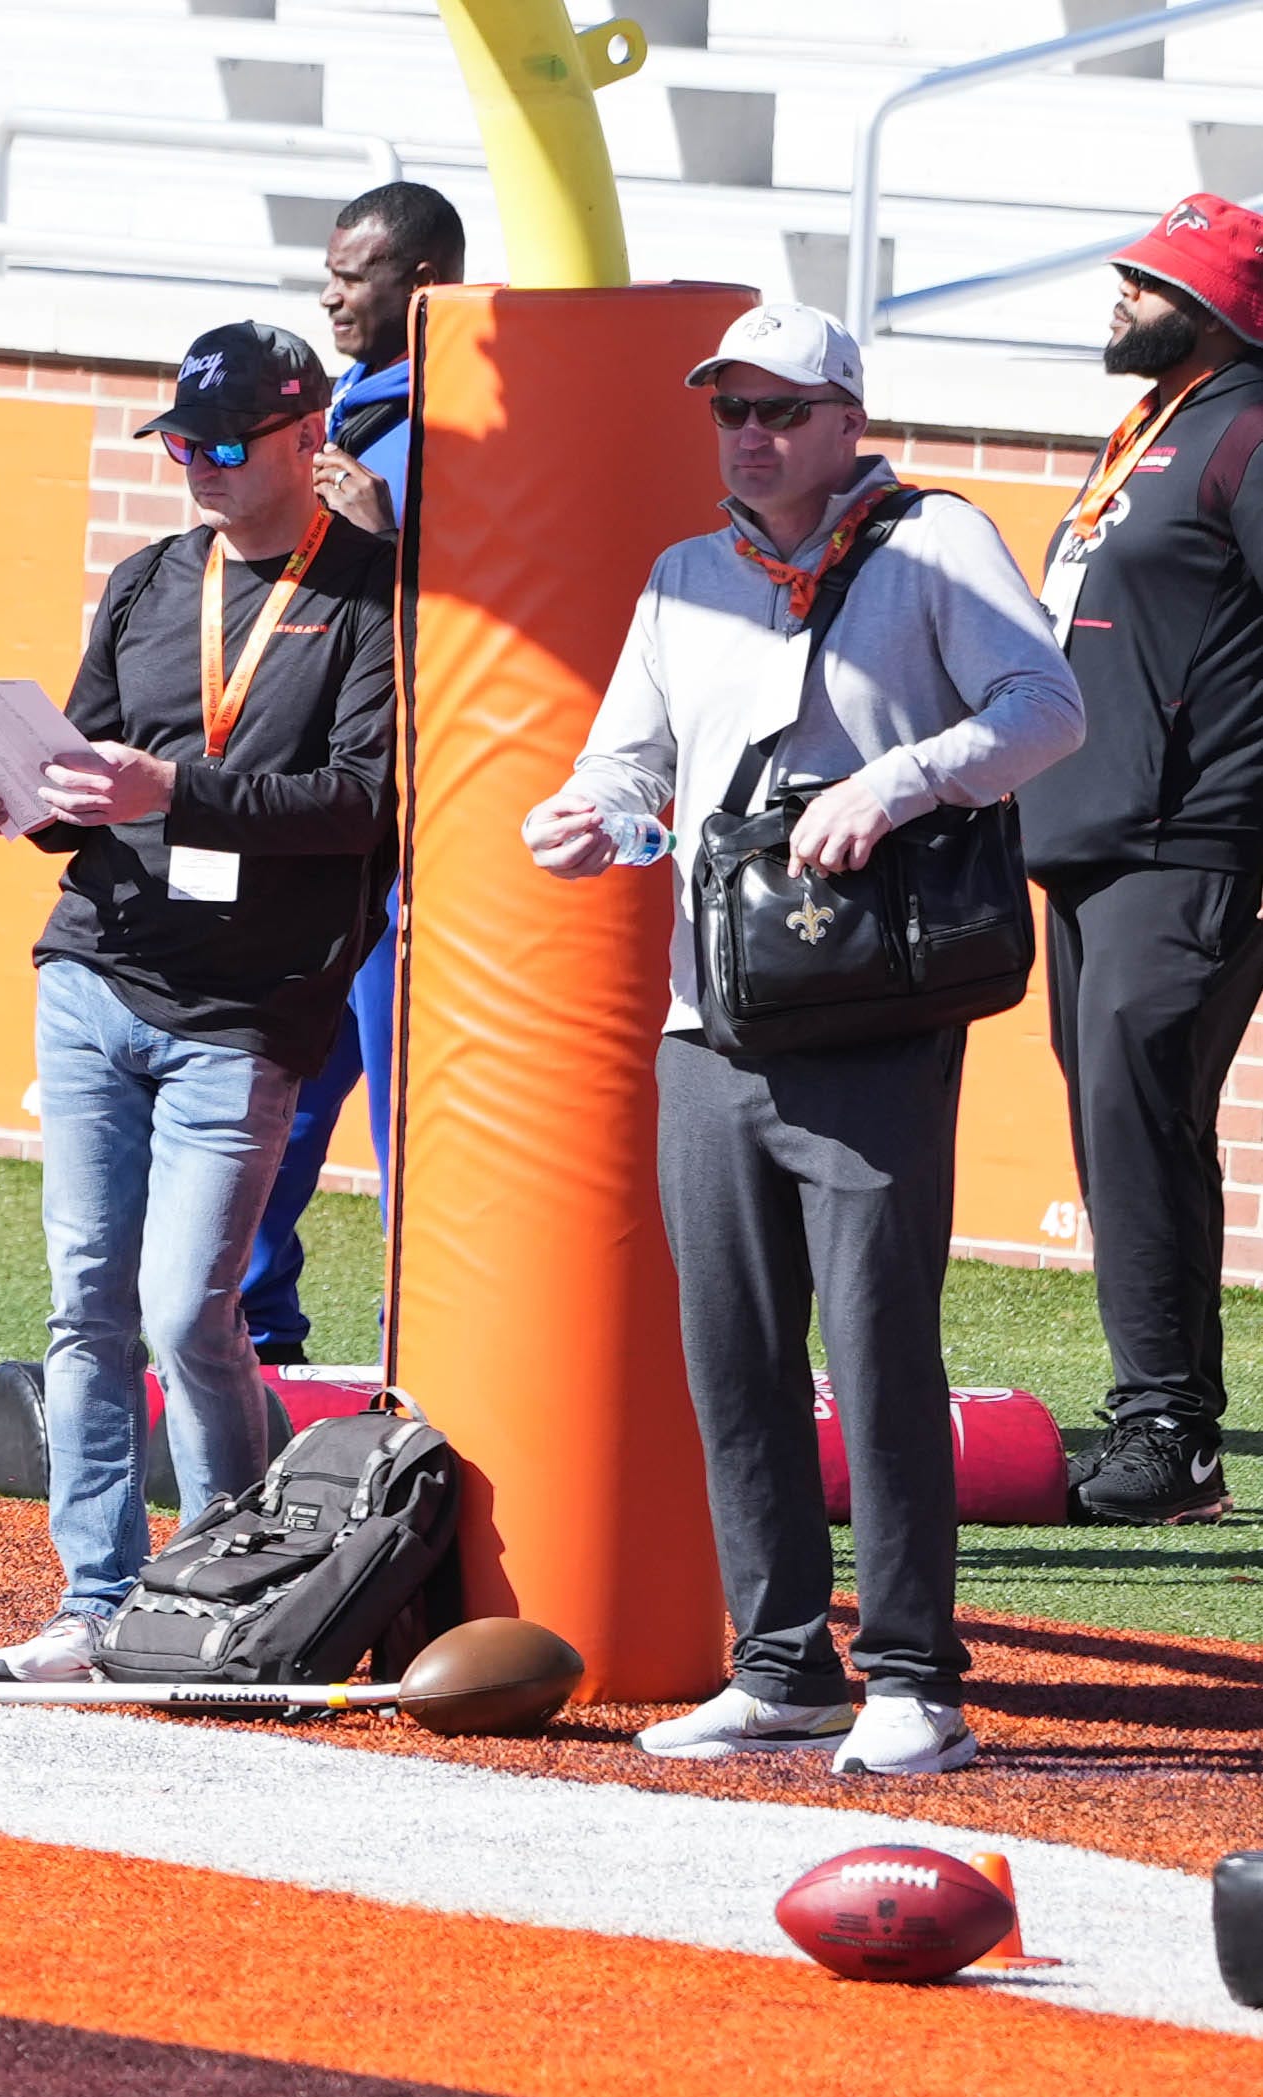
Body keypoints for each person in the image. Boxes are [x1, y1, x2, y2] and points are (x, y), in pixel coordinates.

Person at [522, 304, 1084, 1774]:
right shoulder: (681, 575)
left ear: (847, 417)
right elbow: (632, 768)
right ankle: (780, 1664)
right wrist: (591, 820)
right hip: (711, 1023)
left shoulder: (932, 540)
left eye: (781, 407)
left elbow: (1047, 711)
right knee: (734, 1352)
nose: (752, 433)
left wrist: (896, 783)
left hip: (876, 1018)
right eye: (728, 410)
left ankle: (912, 1679)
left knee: (881, 1349)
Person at [0, 321, 398, 1683]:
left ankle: (234, 1580)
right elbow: (87, 767)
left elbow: (368, 805)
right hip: (97, 962)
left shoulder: (377, 598)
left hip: (246, 1006)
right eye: (179, 444)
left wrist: (177, 793)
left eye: (220, 446)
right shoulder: (150, 579)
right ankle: (92, 1599)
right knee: (83, 1302)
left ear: (301, 440)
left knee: (185, 1307)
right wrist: (23, 798)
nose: (194, 468)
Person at [1021, 195, 1263, 1527]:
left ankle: (1165, 1431)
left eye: (1147, 278)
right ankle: (1165, 1431)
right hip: (1093, 841)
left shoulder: (1246, 433)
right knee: (1122, 1132)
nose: (1118, 295)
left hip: (1194, 841)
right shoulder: (1151, 431)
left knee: (1140, 1123)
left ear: (1215, 306)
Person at [242, 179, 464, 1366]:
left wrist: (385, 541)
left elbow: (498, 629)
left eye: (352, 273)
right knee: (277, 1075)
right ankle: (245, 1322)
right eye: (327, 270)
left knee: (401, 1100)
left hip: (409, 821)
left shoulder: (472, 428)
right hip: (319, 809)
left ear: (419, 282)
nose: (328, 292)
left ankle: (422, 1340)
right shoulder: (338, 413)